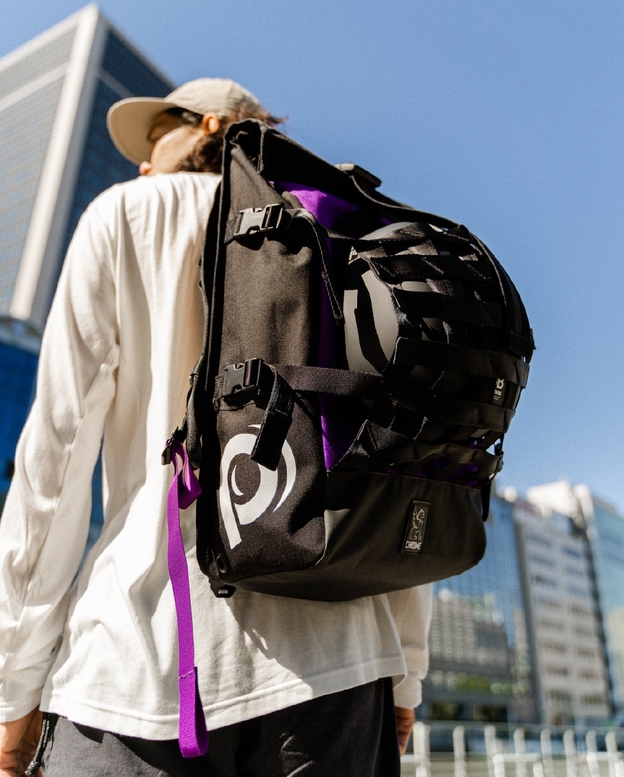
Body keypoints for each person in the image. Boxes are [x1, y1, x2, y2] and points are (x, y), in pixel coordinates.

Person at [0, 78, 431, 777]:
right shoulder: (338, 234)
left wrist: (14, 683)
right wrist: (406, 667)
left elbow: (55, 457)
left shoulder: (126, 213)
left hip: (140, 666)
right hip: (340, 669)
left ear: (208, 126)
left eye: (156, 136)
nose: (145, 162)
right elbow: (399, 458)